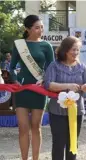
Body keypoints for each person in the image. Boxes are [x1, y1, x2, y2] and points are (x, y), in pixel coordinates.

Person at [10, 15, 55, 160]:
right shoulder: (19, 45)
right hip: (22, 90)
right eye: (37, 27)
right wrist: (15, 80)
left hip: (39, 89)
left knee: (36, 127)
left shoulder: (46, 46)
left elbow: (51, 68)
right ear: (27, 29)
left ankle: (36, 158)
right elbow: (11, 68)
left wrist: (45, 80)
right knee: (23, 128)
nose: (40, 30)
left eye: (41, 27)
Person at [44, 36, 86, 160]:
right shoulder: (54, 66)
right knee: (58, 144)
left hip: (77, 111)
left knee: (73, 143)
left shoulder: (82, 67)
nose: (75, 53)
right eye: (73, 49)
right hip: (57, 111)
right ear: (65, 50)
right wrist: (68, 86)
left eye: (78, 50)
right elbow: (48, 85)